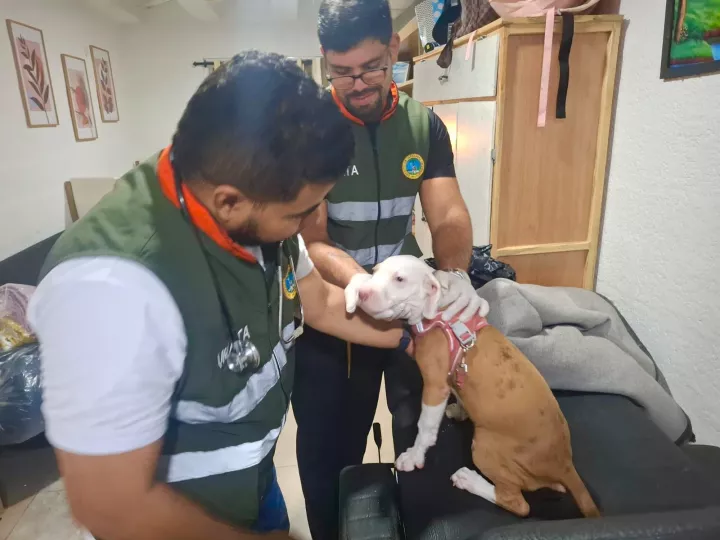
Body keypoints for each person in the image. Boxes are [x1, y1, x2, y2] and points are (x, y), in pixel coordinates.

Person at [28, 51, 414, 540]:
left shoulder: (252, 200)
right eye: (300, 213)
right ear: (229, 201)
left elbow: (320, 304)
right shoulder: (110, 290)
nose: (311, 223)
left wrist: (415, 335)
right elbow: (112, 505)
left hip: (253, 482)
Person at [292, 2, 489, 539]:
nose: (357, 84)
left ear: (394, 49)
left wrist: (453, 275)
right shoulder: (309, 132)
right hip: (337, 314)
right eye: (342, 72)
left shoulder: (424, 126)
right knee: (330, 458)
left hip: (410, 309)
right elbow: (313, 238)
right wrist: (362, 282)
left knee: (424, 436)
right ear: (325, 60)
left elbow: (448, 216)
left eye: (371, 68)